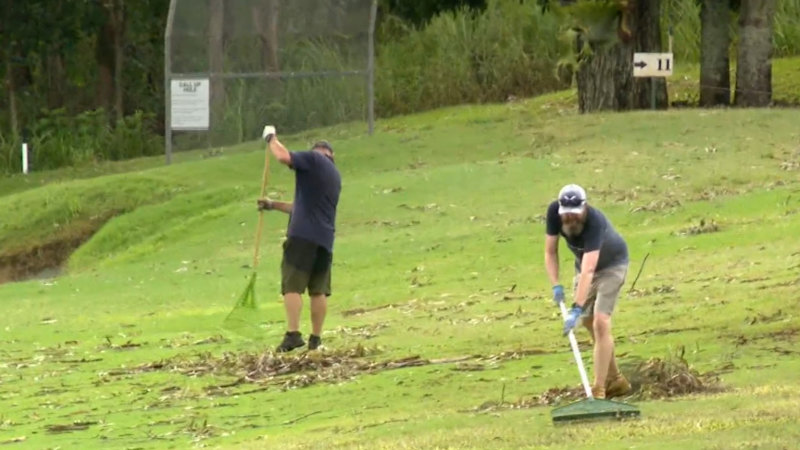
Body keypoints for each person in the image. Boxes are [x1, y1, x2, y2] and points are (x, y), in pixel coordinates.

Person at [257, 125, 341, 352]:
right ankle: (316, 339)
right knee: (318, 289)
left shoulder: (314, 160)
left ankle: (293, 333)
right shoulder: (334, 177)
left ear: (318, 152)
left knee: (292, 285)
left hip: (302, 237)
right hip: (324, 240)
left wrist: (271, 137)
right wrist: (273, 205)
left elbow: (283, 156)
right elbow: (300, 207)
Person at [543, 184, 632, 399]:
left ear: (584, 208)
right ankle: (616, 379)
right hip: (582, 267)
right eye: (567, 215)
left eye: (575, 214)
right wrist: (556, 284)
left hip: (612, 267)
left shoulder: (595, 222)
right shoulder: (554, 213)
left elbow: (590, 269)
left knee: (601, 322)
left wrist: (576, 307)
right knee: (587, 322)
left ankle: (599, 389)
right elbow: (550, 251)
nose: (570, 219)